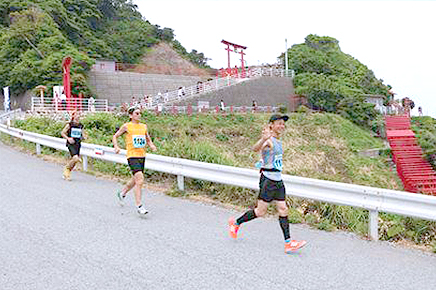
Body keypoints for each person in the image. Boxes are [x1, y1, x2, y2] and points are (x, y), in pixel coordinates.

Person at [228, 114, 307, 254]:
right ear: (271, 125)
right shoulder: (269, 140)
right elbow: (256, 148)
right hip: (268, 180)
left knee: (283, 209)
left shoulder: (278, 140)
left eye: (283, 124)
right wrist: (263, 139)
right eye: (279, 123)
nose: (282, 126)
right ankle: (236, 223)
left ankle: (288, 243)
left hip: (278, 180)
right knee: (260, 212)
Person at [112, 106, 157, 216]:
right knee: (140, 180)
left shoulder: (143, 126)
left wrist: (151, 145)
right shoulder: (127, 126)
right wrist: (116, 147)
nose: (139, 115)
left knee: (135, 180)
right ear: (131, 115)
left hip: (142, 155)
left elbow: (148, 139)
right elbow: (115, 136)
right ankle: (139, 206)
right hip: (132, 155)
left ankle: (122, 193)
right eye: (136, 113)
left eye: (140, 113)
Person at [61, 111, 87, 181]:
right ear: (73, 116)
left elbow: (82, 134)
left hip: (78, 143)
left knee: (75, 161)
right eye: (77, 114)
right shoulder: (69, 125)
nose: (78, 116)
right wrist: (68, 138)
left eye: (79, 114)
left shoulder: (81, 125)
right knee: (75, 158)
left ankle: (67, 172)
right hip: (71, 143)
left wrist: (84, 137)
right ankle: (66, 168)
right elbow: (62, 133)